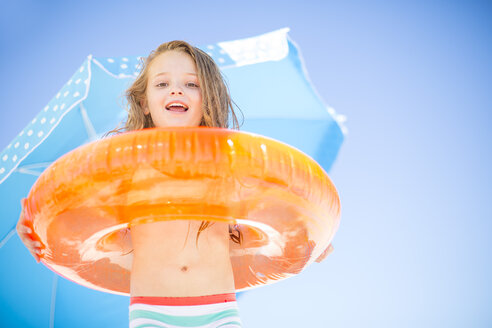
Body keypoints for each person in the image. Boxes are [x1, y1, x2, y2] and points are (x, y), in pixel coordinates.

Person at [17, 40, 244, 328]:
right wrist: (38, 225)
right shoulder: (128, 170)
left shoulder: (226, 166)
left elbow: (259, 227)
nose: (176, 90)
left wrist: (318, 231)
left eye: (191, 84)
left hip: (218, 311)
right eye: (162, 84)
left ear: (208, 97)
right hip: (152, 314)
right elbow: (79, 219)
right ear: (144, 103)